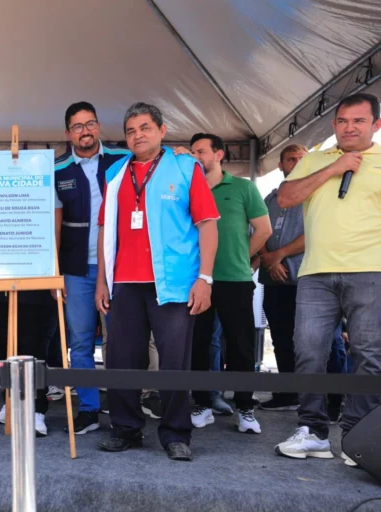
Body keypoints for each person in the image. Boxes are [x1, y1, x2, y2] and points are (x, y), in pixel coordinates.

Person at [95, 102, 219, 461]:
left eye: (145, 128)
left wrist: (205, 278)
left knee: (174, 361)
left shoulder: (185, 167)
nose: (138, 135)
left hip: (175, 283)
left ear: (162, 130)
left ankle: (176, 432)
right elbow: (105, 230)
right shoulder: (116, 172)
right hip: (125, 283)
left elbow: (207, 224)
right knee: (121, 359)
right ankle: (125, 427)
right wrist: (102, 281)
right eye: (131, 131)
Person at [274, 92, 381, 465]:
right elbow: (286, 197)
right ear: (334, 124)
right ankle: (313, 431)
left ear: (376, 124)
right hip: (315, 272)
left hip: (371, 271)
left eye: (359, 121)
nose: (349, 127)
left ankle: (357, 437)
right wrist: (334, 168)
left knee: (369, 354)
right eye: (343, 121)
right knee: (308, 351)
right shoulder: (315, 160)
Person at [187, 133, 272, 434]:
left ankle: (245, 408)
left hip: (235, 280)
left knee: (241, 348)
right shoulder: (187, 187)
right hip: (197, 280)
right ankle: (202, 405)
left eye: (201, 151)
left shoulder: (243, 187)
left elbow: (264, 230)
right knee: (197, 346)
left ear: (219, 154)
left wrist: (240, 256)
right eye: (192, 152)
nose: (196, 157)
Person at [54, 101, 130, 434]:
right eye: (77, 126)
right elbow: (54, 226)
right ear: (68, 133)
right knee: (80, 342)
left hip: (119, 267)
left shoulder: (123, 159)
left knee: (122, 340)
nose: (84, 131)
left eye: (90, 124)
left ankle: (123, 406)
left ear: (98, 126)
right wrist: (55, 273)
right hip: (76, 269)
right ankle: (88, 408)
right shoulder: (58, 169)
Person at [257, 144, 308, 411]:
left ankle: (320, 398)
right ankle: (288, 395)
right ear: (281, 165)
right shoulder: (269, 199)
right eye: (291, 159)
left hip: (307, 282)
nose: (297, 163)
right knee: (280, 338)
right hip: (274, 281)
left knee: (311, 341)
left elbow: (315, 232)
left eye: (302, 159)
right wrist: (268, 258)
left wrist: (280, 255)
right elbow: (259, 230)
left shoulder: (316, 195)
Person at [0, 290, 55, 436]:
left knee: (35, 348)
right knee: (3, 348)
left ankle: (36, 409)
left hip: (37, 290)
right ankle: (10, 402)